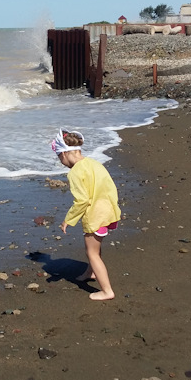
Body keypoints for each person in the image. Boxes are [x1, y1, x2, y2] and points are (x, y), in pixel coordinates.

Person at [50, 128, 121, 301]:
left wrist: (68, 220)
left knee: (92, 253)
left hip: (95, 215)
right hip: (108, 211)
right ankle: (91, 272)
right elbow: (109, 186)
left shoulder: (75, 172)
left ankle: (106, 290)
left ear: (65, 153)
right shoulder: (94, 163)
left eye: (59, 157)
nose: (61, 161)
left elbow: (81, 201)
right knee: (95, 247)